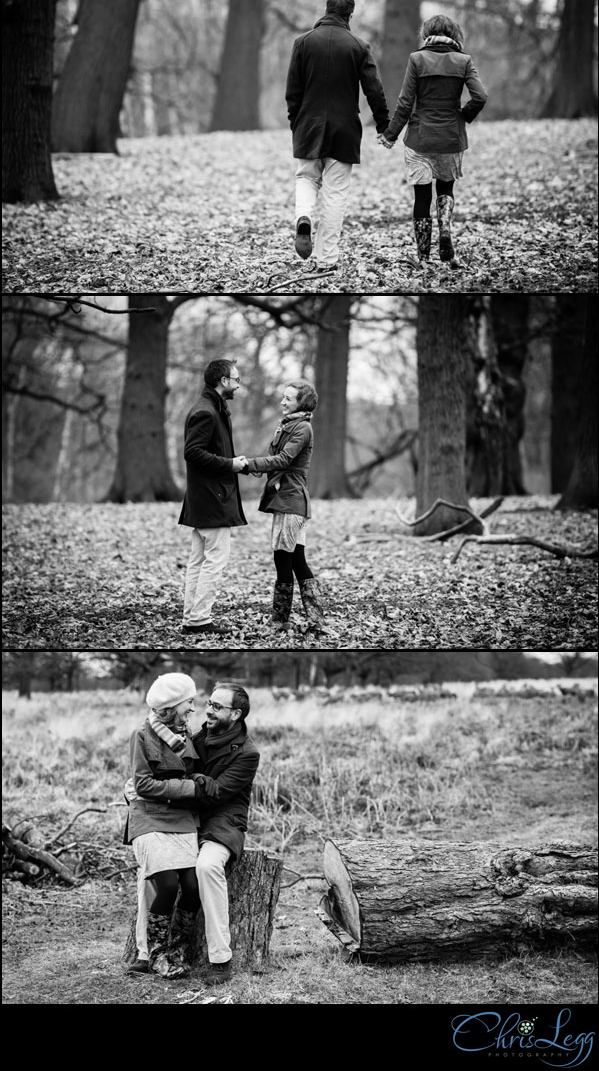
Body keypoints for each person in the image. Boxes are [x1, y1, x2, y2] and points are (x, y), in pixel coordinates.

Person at [125, 678, 260, 988]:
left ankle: (220, 958)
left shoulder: (247, 753)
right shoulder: (196, 736)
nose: (206, 709)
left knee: (205, 868)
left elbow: (215, 793)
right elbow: (155, 773)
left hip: (221, 822)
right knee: (154, 873)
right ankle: (147, 953)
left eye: (215, 705)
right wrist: (133, 789)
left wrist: (187, 784)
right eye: (207, 703)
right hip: (184, 816)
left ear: (236, 714)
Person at [285, 0, 389, 274]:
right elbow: (374, 90)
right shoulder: (359, 46)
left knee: (306, 177)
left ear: (326, 10)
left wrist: (297, 122)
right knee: (335, 193)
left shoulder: (303, 43)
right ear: (349, 15)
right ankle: (327, 258)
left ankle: (304, 217)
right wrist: (383, 125)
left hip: (308, 124)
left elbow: (293, 91)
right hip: (344, 129)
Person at [378, 14, 488, 267]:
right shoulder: (464, 61)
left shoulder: (417, 59)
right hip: (451, 136)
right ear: (454, 34)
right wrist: (463, 115)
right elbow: (480, 96)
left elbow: (406, 103)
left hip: (420, 137)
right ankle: (445, 229)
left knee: (422, 197)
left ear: (427, 33)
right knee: (446, 189)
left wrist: (390, 134)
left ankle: (424, 256)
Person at [124, 672, 202, 980]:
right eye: (188, 703)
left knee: (194, 886)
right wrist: (187, 789)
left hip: (182, 820)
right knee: (168, 883)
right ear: (171, 707)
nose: (192, 709)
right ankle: (155, 953)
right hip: (149, 818)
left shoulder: (188, 736)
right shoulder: (142, 736)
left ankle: (177, 950)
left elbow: (199, 776)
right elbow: (142, 785)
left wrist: (194, 787)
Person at [241, 380, 325, 633]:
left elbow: (284, 459)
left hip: (292, 502)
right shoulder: (288, 425)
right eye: (284, 397)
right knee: (297, 560)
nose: (283, 402)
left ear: (302, 403)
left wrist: (247, 465)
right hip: (286, 500)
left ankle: (280, 621)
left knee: (283, 560)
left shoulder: (302, 429)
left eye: (289, 398)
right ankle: (316, 621)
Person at [178, 359, 248, 635]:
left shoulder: (213, 407)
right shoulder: (206, 411)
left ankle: (192, 619)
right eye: (236, 379)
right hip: (212, 499)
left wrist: (231, 462)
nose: (238, 384)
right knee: (214, 561)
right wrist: (229, 464)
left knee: (198, 560)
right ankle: (199, 620)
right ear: (223, 381)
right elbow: (192, 452)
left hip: (207, 498)